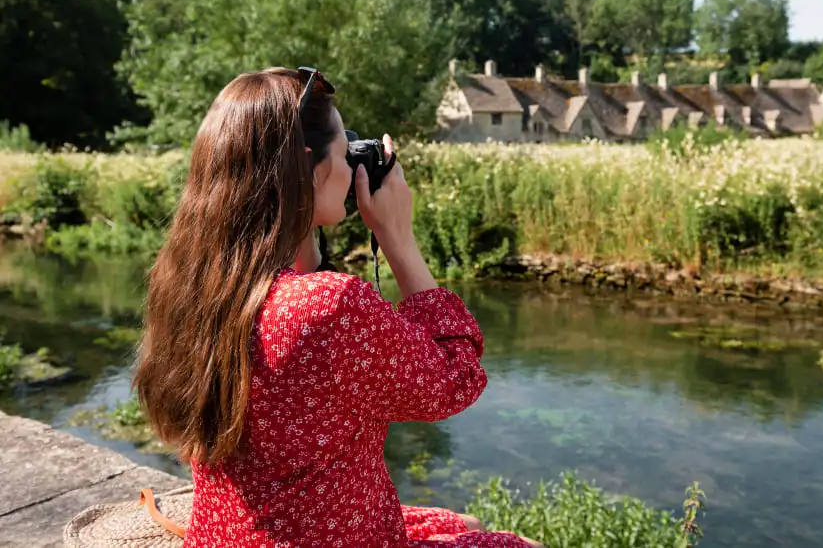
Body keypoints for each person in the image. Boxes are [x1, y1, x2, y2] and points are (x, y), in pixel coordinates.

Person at [133, 67, 541, 547]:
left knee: (463, 523)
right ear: (310, 168)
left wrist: (305, 222)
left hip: (233, 533)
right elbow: (454, 383)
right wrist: (397, 238)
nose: (352, 167)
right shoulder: (328, 305)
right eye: (345, 152)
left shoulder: (190, 282)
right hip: (326, 537)